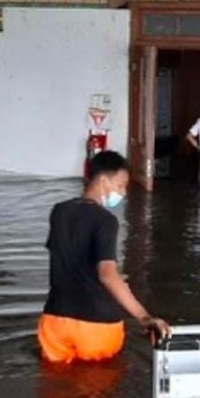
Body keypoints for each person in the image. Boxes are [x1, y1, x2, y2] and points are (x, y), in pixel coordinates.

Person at [38, 150, 171, 364]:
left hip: (55, 320)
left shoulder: (59, 211)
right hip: (97, 324)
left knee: (55, 390)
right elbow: (107, 275)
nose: (124, 193)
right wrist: (144, 317)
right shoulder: (105, 220)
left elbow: (66, 258)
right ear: (102, 181)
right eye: (120, 185)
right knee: (100, 390)